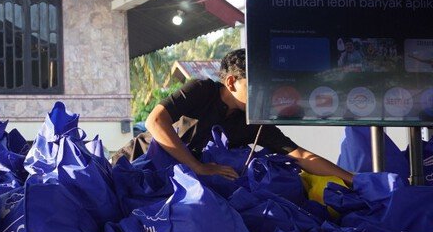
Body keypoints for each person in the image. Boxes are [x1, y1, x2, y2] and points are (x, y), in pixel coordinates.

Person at [146, 48, 355, 183]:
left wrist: (353, 179)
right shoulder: (201, 89)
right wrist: (197, 167)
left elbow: (300, 156)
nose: (264, 93)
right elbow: (155, 121)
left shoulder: (254, 121)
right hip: (139, 165)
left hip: (178, 182)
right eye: (256, 86)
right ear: (230, 82)